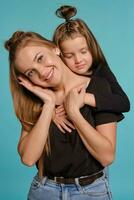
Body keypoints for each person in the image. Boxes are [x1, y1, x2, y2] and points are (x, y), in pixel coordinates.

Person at [5, 31, 124, 200]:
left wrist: (74, 113)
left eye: (40, 58)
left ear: (55, 49)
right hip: (44, 191)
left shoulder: (97, 87)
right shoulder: (35, 100)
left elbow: (107, 157)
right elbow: (28, 158)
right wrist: (48, 106)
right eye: (30, 72)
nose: (41, 72)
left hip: (90, 192)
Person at [52, 5, 130, 134]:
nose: (78, 60)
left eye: (83, 51)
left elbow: (123, 103)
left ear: (92, 47)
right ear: (60, 55)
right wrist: (51, 114)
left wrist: (83, 98)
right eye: (69, 56)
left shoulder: (101, 70)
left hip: (94, 138)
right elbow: (37, 101)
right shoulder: (58, 75)